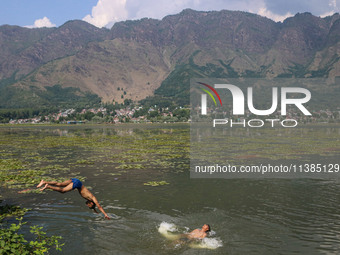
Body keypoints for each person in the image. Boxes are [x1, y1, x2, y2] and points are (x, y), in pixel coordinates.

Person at [37, 178, 110, 220]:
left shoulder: (90, 200)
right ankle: (48, 187)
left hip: (77, 181)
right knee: (63, 191)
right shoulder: (92, 198)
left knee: (60, 184)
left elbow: (94, 206)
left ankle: (44, 182)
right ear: (91, 203)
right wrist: (105, 214)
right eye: (89, 206)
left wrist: (95, 211)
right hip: (77, 184)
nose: (87, 206)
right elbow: (99, 206)